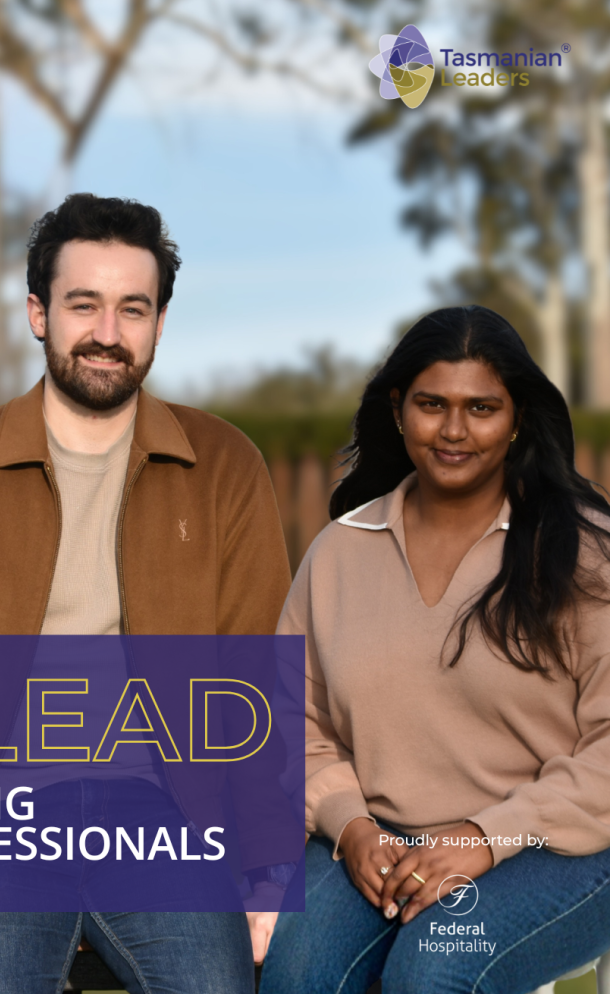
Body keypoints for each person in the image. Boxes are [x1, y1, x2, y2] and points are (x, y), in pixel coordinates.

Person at [0, 193, 295, 993]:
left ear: (157, 324)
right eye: (84, 305)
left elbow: (256, 675)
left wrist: (270, 866)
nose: (109, 334)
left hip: (165, 819)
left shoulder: (222, 465)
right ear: (38, 313)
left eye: (133, 309)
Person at [260, 306, 610, 994]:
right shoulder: (338, 553)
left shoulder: (582, 551)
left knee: (433, 968)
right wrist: (349, 826)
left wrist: (485, 838)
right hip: (381, 840)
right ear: (398, 410)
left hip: (556, 840)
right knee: (297, 976)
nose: (453, 430)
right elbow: (291, 723)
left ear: (515, 419)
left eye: (481, 407)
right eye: (431, 405)